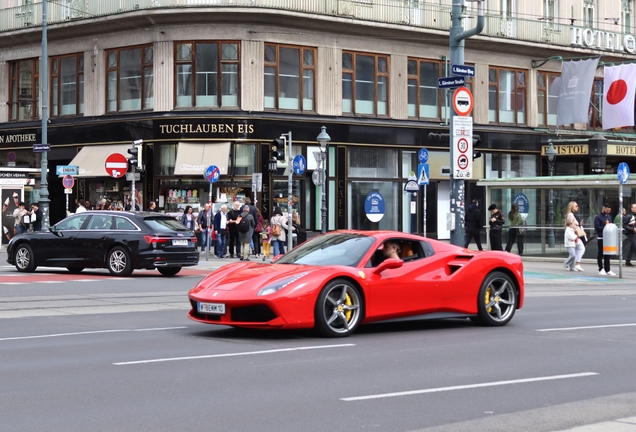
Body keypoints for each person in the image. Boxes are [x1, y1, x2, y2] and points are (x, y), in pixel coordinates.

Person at [594, 202, 616, 276]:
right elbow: (597, 227)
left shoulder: (609, 217)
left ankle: (608, 269)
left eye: (609, 211)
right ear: (603, 208)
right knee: (601, 253)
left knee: (607, 254)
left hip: (608, 238)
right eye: (607, 210)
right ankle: (601, 268)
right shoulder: (598, 217)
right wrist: (605, 227)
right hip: (601, 237)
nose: (608, 212)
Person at [565, 201, 586, 270]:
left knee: (576, 250)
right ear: (572, 207)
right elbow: (570, 224)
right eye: (576, 206)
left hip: (576, 234)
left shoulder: (573, 214)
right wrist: (576, 226)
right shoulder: (571, 215)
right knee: (580, 248)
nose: (577, 207)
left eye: (577, 206)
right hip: (574, 234)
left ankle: (573, 265)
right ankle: (575, 263)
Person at [623, 203, 636, 267]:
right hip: (630, 233)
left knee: (633, 247)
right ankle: (628, 261)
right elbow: (624, 225)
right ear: (631, 209)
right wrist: (632, 229)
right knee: (635, 245)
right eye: (635, 208)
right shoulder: (629, 216)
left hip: (634, 233)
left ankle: (628, 261)